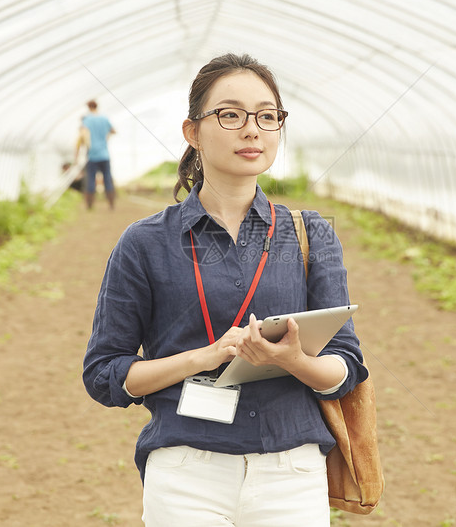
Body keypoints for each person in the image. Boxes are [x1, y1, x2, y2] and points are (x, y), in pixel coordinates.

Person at [82, 53, 367, 526]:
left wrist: (292, 360)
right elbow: (105, 373)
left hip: (291, 472)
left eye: (267, 115)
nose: (252, 130)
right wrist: (205, 357)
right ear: (192, 132)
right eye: (230, 114)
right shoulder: (145, 242)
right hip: (186, 472)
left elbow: (346, 366)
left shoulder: (309, 235)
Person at [75, 100, 116, 209]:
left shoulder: (87, 120)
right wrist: (105, 137)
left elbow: (81, 136)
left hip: (92, 155)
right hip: (104, 154)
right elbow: (113, 131)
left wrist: (77, 156)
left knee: (91, 180)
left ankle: (89, 205)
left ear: (88, 107)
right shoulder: (104, 119)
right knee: (107, 178)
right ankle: (111, 204)